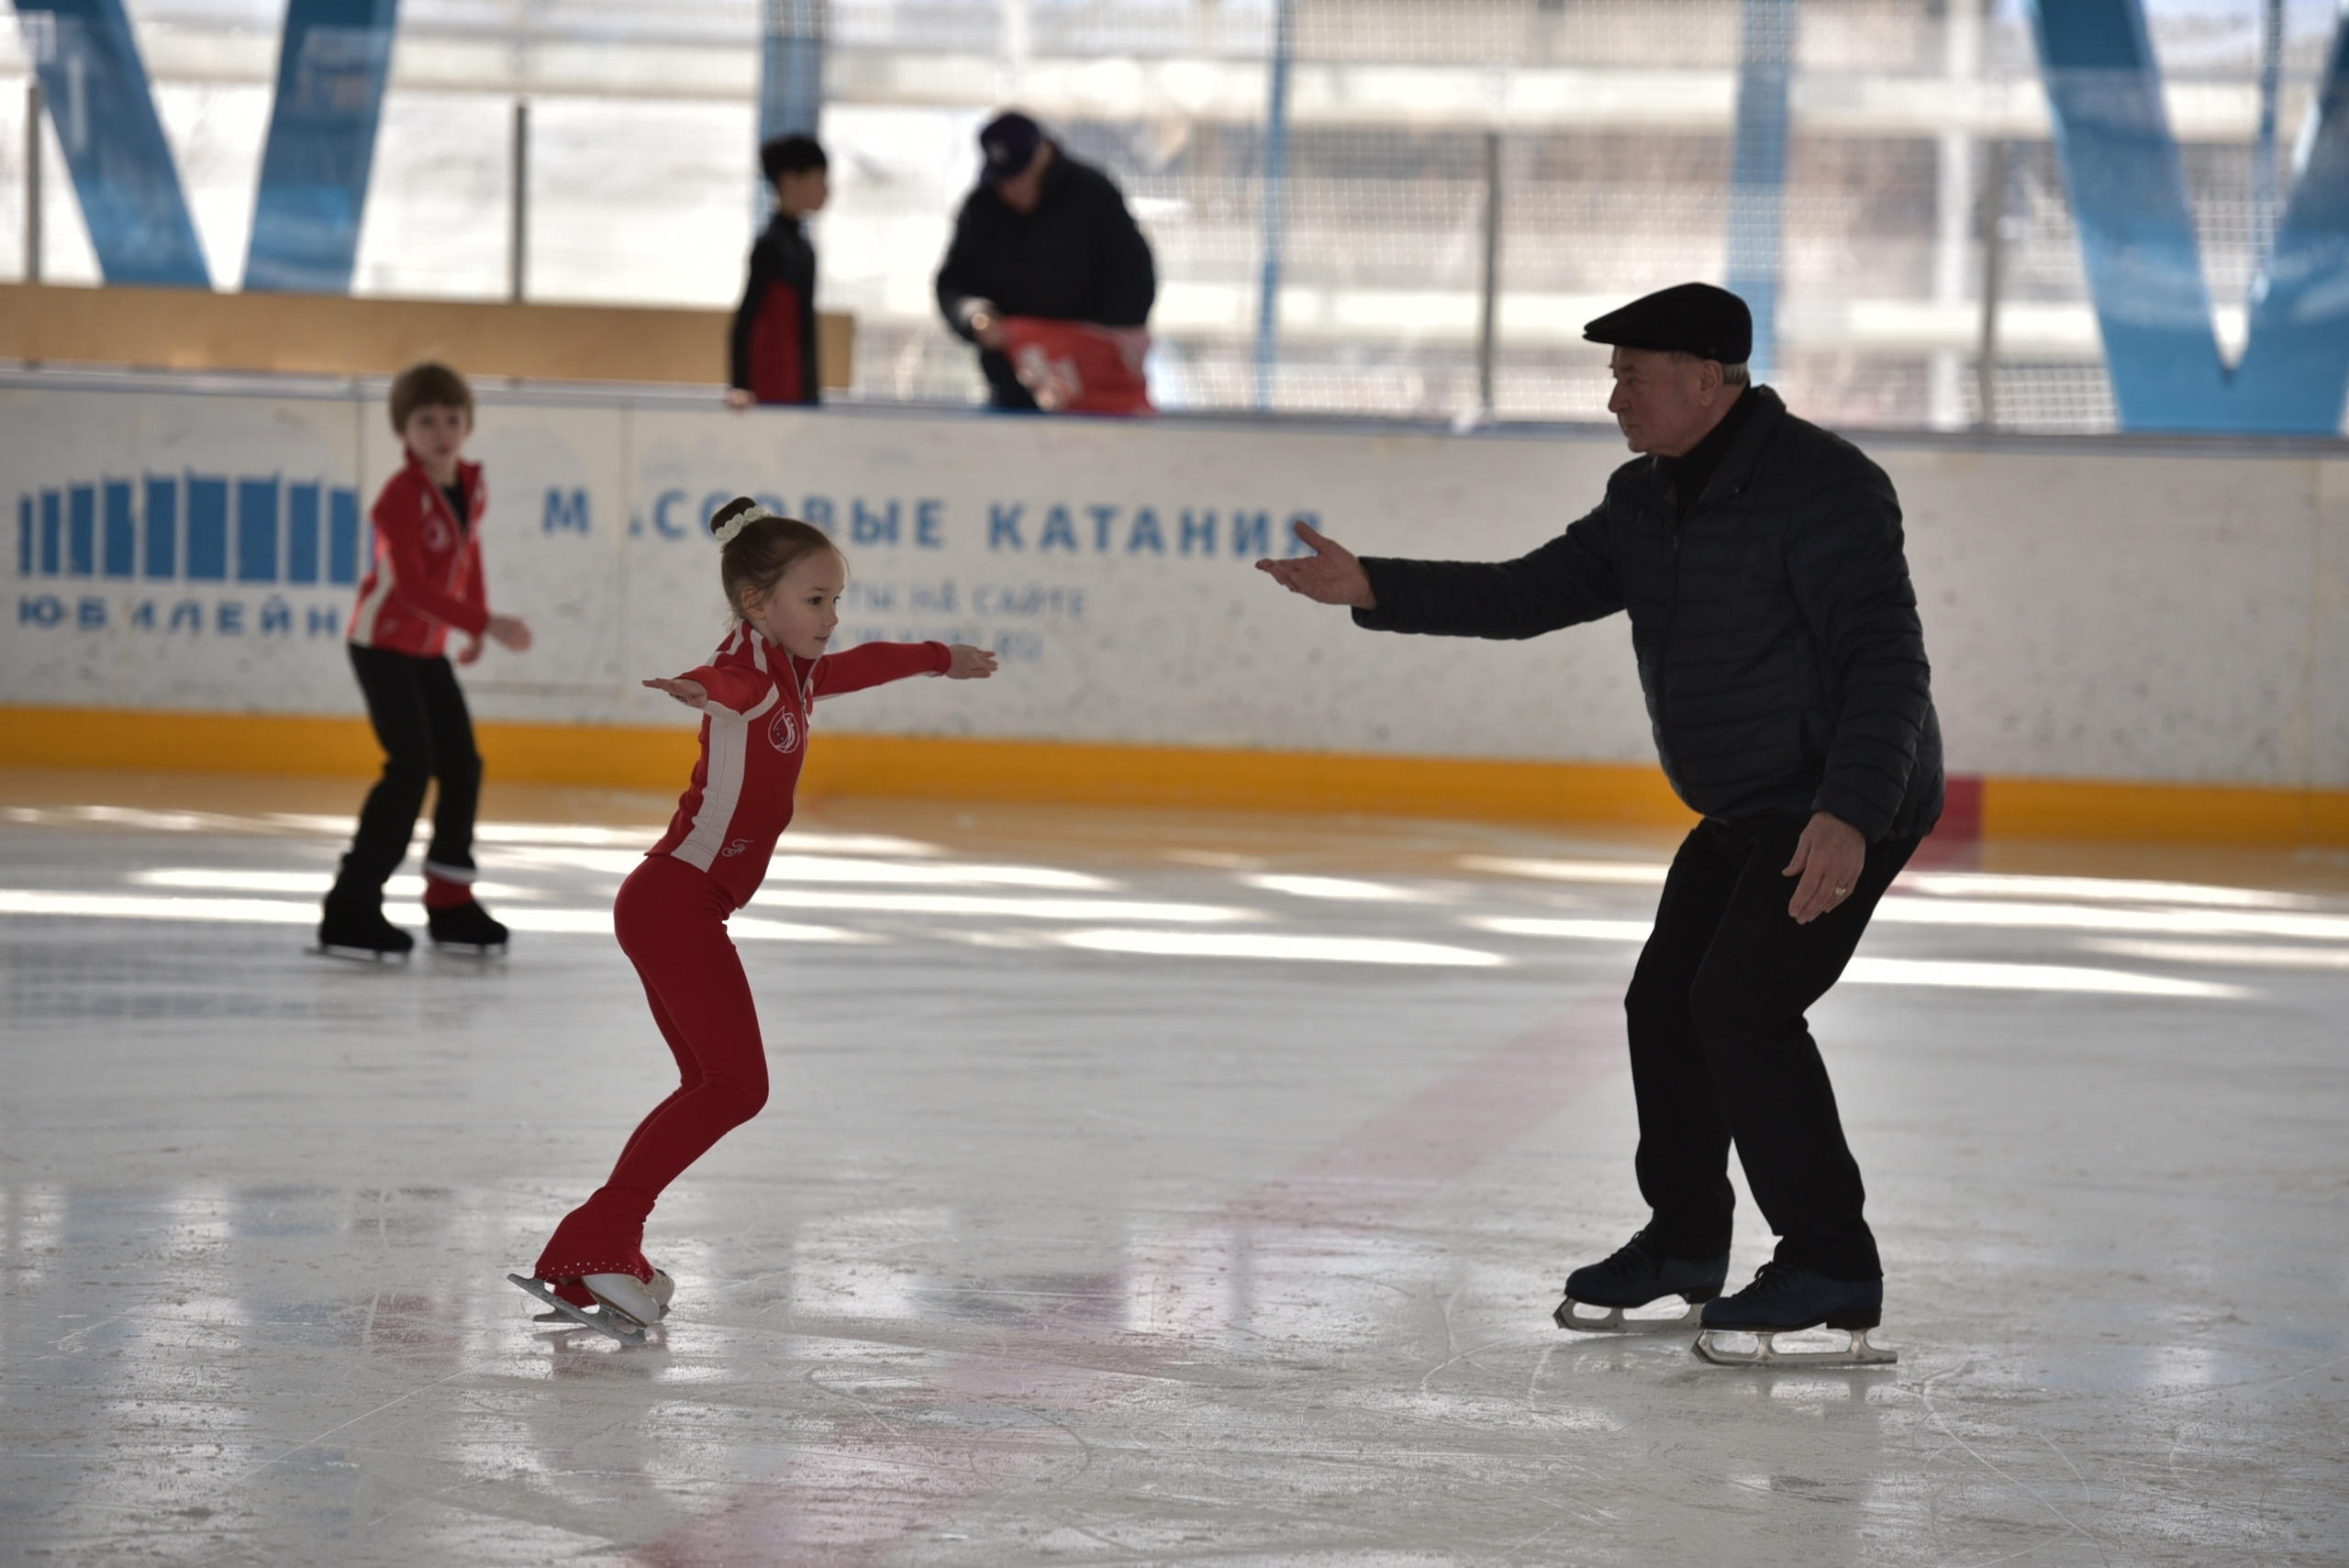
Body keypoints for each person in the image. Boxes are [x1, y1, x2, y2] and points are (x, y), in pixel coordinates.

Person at [1256, 283, 1943, 1367]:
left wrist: (1849, 814)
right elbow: (1532, 592)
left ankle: (1830, 1258)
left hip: (1833, 804)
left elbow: (1887, 661)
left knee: (1741, 1006)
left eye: (1630, 371)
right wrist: (1372, 582)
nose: (1611, 392)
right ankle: (1683, 1243)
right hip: (1741, 806)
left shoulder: (1827, 488)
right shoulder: (1645, 499)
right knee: (1663, 1003)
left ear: (1707, 378)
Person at [509, 500, 999, 1341]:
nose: (832, 617)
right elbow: (730, 688)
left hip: (680, 904)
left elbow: (861, 663)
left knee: (713, 1086)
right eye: (816, 600)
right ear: (755, 602)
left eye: (836, 598)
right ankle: (601, 1236)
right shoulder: (752, 670)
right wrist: (698, 688)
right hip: (676, 905)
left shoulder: (797, 667)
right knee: (738, 1086)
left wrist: (938, 657)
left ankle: (597, 1237)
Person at [319, 361, 533, 960]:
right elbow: (410, 589)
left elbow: (469, 553)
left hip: (428, 648)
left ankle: (450, 902)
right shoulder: (399, 497)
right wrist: (483, 622)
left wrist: (477, 618)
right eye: (426, 420)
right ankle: (350, 906)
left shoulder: (471, 483)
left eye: (452, 419)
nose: (441, 431)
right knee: (411, 768)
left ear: (467, 424)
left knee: (462, 765)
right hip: (381, 643)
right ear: (403, 429)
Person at [934, 111, 1156, 410]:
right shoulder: (981, 210)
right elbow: (952, 283)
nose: (1014, 188)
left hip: (1097, 390)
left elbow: (1134, 277)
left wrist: (1085, 348)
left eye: (1022, 173)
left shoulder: (1092, 195)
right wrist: (974, 317)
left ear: (1044, 154)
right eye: (1004, 180)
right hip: (1015, 388)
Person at [728, 134, 829, 408]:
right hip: (770, 392)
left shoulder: (803, 246)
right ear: (789, 180)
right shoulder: (771, 246)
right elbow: (745, 321)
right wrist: (740, 386)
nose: (826, 190)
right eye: (819, 179)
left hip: (797, 389)